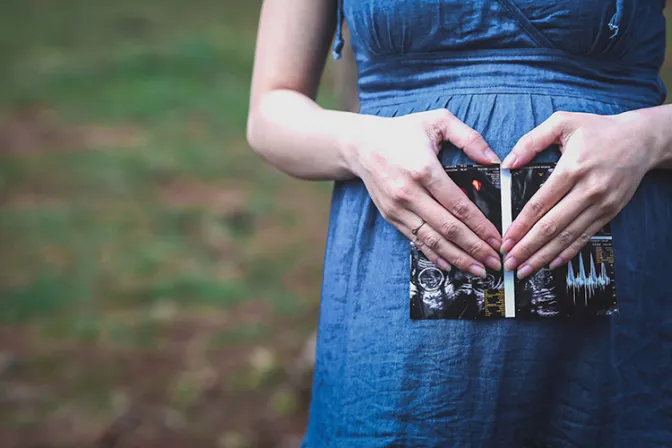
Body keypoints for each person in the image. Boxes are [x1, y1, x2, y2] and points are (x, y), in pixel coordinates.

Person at [246, 0, 672, 446]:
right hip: (393, 303)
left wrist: (648, 139)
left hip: (624, 279)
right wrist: (360, 143)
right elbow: (270, 111)